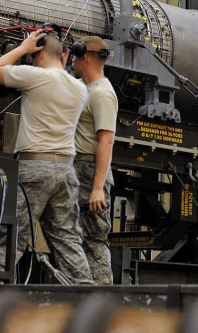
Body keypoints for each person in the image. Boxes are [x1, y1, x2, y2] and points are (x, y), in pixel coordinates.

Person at [0, 30, 94, 285]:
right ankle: (86, 294)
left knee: (12, 238)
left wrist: (23, 48)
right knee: (68, 241)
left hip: (33, 168)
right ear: (65, 57)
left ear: (40, 54)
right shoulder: (80, 88)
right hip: (66, 171)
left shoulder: (36, 76)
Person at [72, 36, 118, 284]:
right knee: (72, 238)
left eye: (75, 55)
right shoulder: (82, 88)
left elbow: (106, 141)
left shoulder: (102, 94)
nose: (72, 60)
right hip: (77, 170)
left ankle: (102, 296)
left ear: (86, 57)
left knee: (93, 241)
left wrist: (98, 188)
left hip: (91, 172)